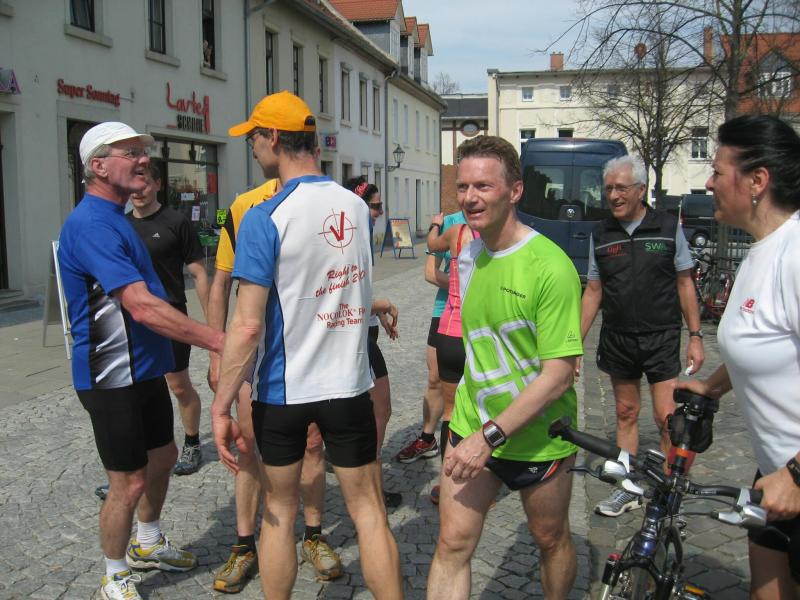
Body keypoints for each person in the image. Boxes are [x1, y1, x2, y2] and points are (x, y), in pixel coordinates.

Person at [210, 91, 403, 600]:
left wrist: (221, 405)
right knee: (369, 511)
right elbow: (342, 286)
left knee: (279, 512)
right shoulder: (357, 207)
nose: (253, 147)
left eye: (254, 137)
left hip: (283, 391)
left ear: (274, 137)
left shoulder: (264, 216)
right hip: (348, 385)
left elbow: (246, 326)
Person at [58, 122, 225, 600]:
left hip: (144, 367)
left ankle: (147, 541)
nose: (143, 159)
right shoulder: (91, 224)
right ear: (98, 166)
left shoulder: (116, 217)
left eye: (143, 152)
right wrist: (219, 341)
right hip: (110, 375)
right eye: (130, 152)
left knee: (165, 456)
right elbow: (142, 305)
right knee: (127, 482)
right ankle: (114, 573)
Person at [427, 135, 582, 600]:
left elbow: (558, 374)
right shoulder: (468, 255)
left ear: (514, 191)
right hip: (472, 425)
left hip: (538, 436)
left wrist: (490, 436)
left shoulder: (551, 267)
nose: (470, 198)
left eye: (483, 186)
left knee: (549, 538)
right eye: (463, 187)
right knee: (452, 543)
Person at [679, 115, 800, 600]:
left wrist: (795, 476)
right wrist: (711, 387)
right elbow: (764, 344)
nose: (709, 182)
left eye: (716, 170)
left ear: (757, 181)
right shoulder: (758, 252)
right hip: (775, 469)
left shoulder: (795, 254)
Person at [207, 188, 340, 587]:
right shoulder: (246, 205)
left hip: (307, 350)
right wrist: (217, 355)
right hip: (256, 352)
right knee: (248, 446)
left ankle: (313, 536)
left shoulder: (322, 198)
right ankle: (244, 545)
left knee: (313, 444)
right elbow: (221, 282)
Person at [579, 155, 705, 518]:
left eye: (621, 188)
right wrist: (572, 344)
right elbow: (593, 291)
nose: (613, 196)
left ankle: (669, 495)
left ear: (641, 190)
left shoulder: (666, 226)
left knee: (667, 419)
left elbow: (685, 283)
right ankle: (628, 489)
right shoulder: (601, 233)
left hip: (661, 336)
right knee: (625, 412)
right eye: (608, 189)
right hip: (618, 338)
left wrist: (696, 335)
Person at [126, 163, 209, 475]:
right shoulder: (121, 225)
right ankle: (135, 461)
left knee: (179, 386)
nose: (138, 190)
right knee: (134, 392)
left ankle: (192, 443)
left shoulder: (176, 222)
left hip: (171, 316)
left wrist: (211, 324)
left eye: (145, 183)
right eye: (133, 184)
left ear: (158, 184)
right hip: (133, 321)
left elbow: (200, 274)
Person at [344, 176, 402, 509]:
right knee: (380, 411)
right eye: (376, 206)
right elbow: (343, 298)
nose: (380, 212)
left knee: (369, 413)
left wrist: (378, 316)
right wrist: (382, 305)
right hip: (356, 337)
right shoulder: (351, 237)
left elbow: (361, 289)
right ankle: (370, 489)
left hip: (365, 331)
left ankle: (370, 484)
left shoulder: (358, 234)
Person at [395, 208, 467, 473]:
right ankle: (428, 439)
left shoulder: (498, 220)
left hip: (483, 312)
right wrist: (466, 285)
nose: (470, 194)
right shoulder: (449, 223)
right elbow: (430, 272)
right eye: (463, 188)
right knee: (436, 377)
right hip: (446, 310)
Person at [424, 210, 477, 504]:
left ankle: (446, 485)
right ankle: (477, 484)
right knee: (481, 411)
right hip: (480, 336)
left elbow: (432, 244)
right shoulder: (500, 238)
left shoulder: (457, 232)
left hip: (450, 333)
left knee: (450, 412)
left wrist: (435, 224)